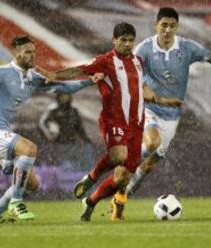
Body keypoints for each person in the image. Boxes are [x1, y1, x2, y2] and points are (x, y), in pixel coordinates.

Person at [108, 7, 211, 218]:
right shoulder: (144, 49)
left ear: (176, 27)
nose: (168, 30)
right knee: (151, 143)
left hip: (172, 115)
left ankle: (122, 197)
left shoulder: (187, 48)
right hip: (148, 108)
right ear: (156, 25)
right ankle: (125, 164)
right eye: (164, 25)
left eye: (172, 26)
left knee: (151, 163)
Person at [39, 22, 182, 221]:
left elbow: (143, 88)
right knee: (118, 156)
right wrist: (55, 75)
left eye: (131, 40)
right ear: (114, 40)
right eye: (123, 40)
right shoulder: (105, 61)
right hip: (113, 120)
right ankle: (91, 178)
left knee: (122, 178)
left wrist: (162, 100)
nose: (127, 44)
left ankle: (90, 201)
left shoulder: (139, 62)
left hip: (136, 124)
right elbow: (80, 70)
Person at [0, 35, 97, 224]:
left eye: (34, 52)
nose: (32, 56)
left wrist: (91, 81)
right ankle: (15, 203)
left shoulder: (33, 78)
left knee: (32, 184)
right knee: (29, 149)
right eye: (28, 52)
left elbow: (65, 88)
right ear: (15, 53)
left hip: (1, 134)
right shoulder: (3, 72)